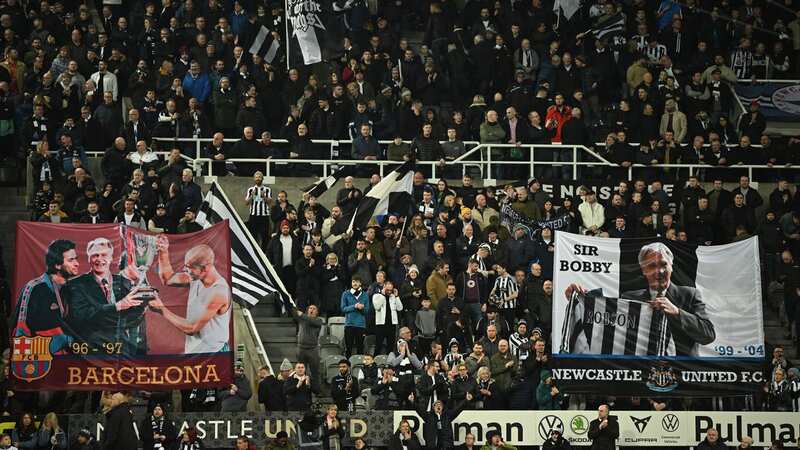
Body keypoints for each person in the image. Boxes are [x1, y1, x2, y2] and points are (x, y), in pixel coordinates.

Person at [564, 242, 716, 356]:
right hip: (641, 375)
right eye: (652, 266)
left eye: (664, 264)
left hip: (681, 377)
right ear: (643, 270)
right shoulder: (630, 298)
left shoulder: (690, 295)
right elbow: (605, 323)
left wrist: (677, 312)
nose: (659, 271)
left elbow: (708, 335)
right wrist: (582, 300)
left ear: (672, 266)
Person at [63, 238, 148, 356]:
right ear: (89, 258)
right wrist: (117, 307)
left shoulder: (125, 282)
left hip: (121, 349)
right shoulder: (75, 285)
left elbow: (131, 318)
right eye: (95, 255)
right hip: (90, 350)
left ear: (111, 258)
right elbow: (81, 316)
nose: (99, 259)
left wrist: (142, 304)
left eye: (104, 255)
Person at [152, 237, 232, 353]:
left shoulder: (219, 292)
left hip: (214, 355)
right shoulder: (195, 278)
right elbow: (168, 278)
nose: (185, 270)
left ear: (204, 269)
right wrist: (163, 251)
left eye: (188, 267)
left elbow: (192, 328)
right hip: (195, 353)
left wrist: (162, 310)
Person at [13, 239, 80, 353]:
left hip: (68, 362)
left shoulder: (72, 289)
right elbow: (21, 331)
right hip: (42, 362)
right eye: (71, 260)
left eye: (76, 259)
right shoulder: (34, 288)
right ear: (57, 265)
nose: (77, 263)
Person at [341, 277, 369, 357]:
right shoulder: (345, 294)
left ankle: (359, 368)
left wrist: (362, 308)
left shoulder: (365, 295)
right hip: (349, 324)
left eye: (357, 282)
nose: (355, 283)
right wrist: (354, 306)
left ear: (360, 283)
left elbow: (367, 311)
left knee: (360, 348)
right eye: (353, 281)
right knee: (348, 348)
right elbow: (343, 308)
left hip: (361, 325)